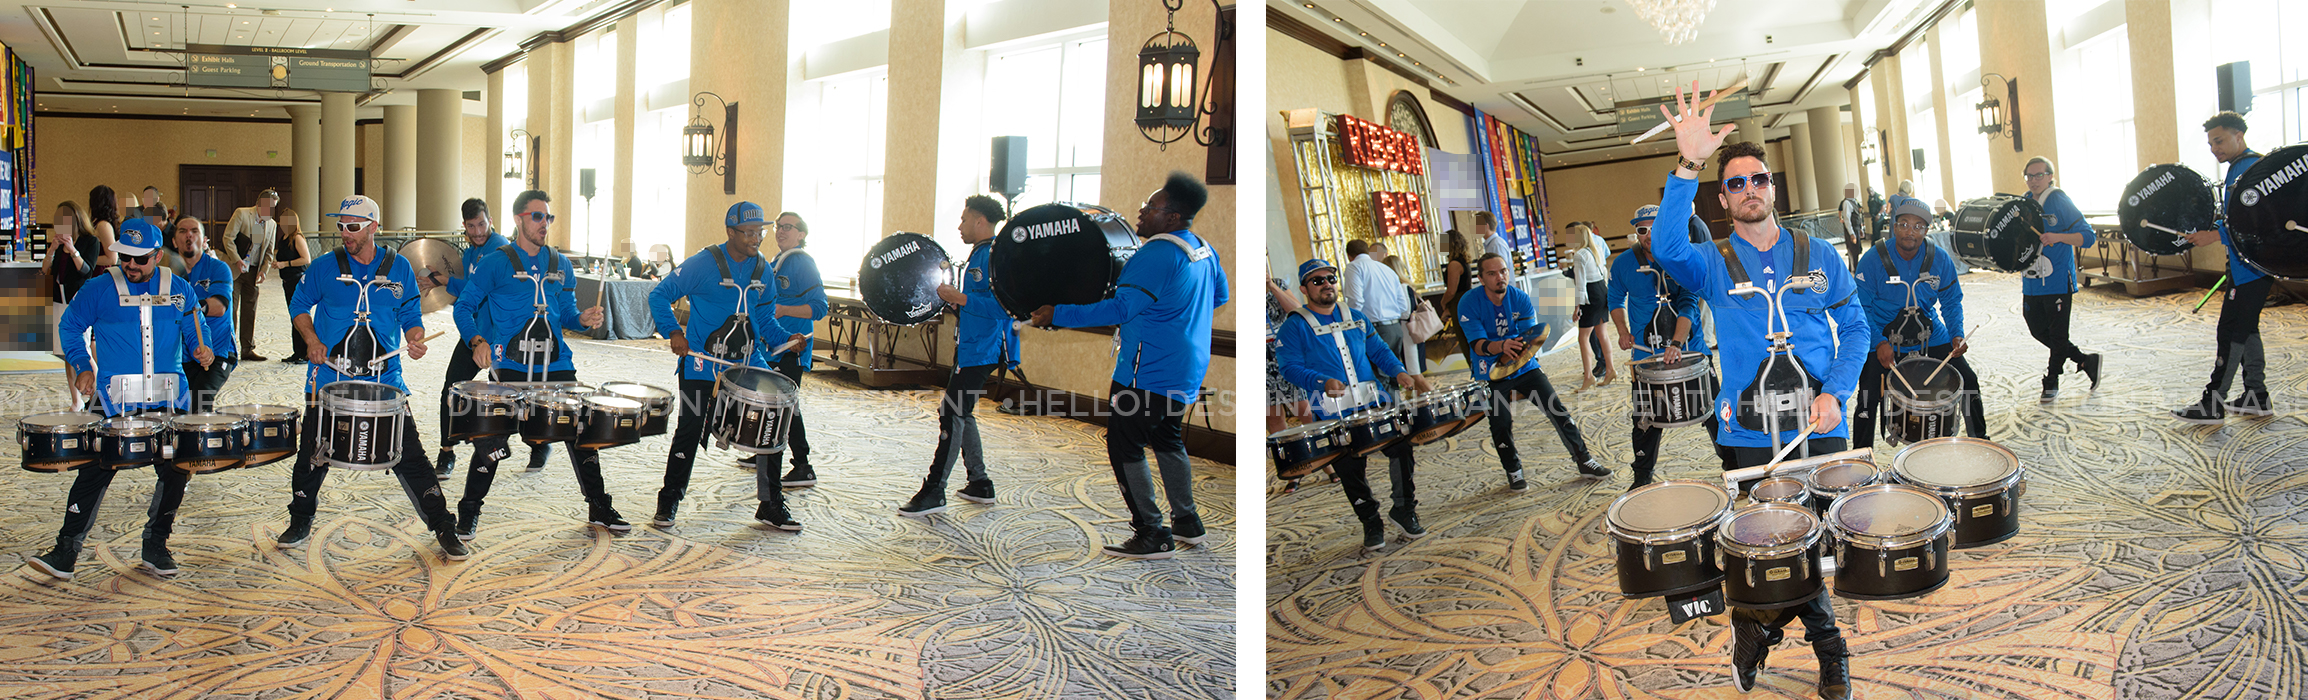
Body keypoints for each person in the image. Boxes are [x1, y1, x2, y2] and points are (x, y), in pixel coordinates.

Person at [1654, 80, 1868, 700]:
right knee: (1772, 546)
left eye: (1759, 179)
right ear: (1722, 198)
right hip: (1750, 431)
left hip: (1820, 422)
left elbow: (1854, 325)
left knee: (1820, 541)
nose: (1750, 189)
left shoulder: (1818, 252)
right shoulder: (1712, 262)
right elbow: (1667, 245)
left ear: (1773, 188)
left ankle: (1754, 630)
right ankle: (1830, 650)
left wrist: (1837, 390)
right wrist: (1687, 163)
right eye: (1737, 183)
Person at [1029, 171, 1228, 559]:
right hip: (1185, 366)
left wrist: (1057, 312)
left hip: (1145, 371)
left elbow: (1121, 308)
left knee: (1124, 444)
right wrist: (1174, 318)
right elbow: (1217, 297)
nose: (1141, 211)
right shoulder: (1202, 248)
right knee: (1167, 437)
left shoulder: (1155, 253)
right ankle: (1188, 521)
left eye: (1151, 206)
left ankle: (1152, 532)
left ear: (1171, 216)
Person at [270, 196, 465, 561]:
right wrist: (311, 340)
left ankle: (442, 524)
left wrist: (415, 336)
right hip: (328, 377)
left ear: (373, 226)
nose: (346, 233)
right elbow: (299, 305)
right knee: (313, 453)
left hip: (385, 377)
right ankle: (299, 519)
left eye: (354, 226)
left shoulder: (401, 268)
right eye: (341, 225)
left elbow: (409, 311)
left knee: (411, 457)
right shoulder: (325, 267)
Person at [21, 220, 215, 580]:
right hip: (113, 399)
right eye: (125, 257)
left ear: (157, 256)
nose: (131, 265)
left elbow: (195, 336)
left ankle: (156, 544)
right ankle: (66, 550)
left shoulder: (181, 291)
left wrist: (203, 352)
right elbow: (70, 326)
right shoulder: (99, 289)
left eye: (140, 260)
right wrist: (82, 364)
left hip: (169, 398)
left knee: (176, 472)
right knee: (92, 470)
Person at [452, 189, 620, 539]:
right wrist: (477, 340)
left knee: (582, 433)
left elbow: (568, 315)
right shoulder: (495, 262)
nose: (545, 224)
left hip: (557, 362)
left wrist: (583, 319)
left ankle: (599, 505)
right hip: (510, 363)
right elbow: (463, 307)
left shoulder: (560, 264)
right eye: (537, 216)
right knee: (493, 437)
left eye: (549, 217)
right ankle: (469, 509)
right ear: (519, 219)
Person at [646, 201, 805, 530]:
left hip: (749, 362)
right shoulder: (703, 263)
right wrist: (674, 331)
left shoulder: (763, 270)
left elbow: (764, 319)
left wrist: (788, 338)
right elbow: (660, 295)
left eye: (759, 232)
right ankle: (670, 498)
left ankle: (770, 503)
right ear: (730, 232)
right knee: (689, 429)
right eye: (748, 232)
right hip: (703, 364)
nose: (756, 238)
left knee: (771, 427)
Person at [1277, 258, 1433, 551]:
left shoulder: (1357, 317)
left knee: (1401, 447)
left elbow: (1379, 351)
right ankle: (1370, 520)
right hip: (1331, 410)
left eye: (1330, 278)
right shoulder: (1294, 326)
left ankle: (1403, 509)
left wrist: (1399, 371)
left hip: (1373, 402)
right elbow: (1289, 368)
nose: (1326, 285)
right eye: (1317, 281)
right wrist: (1321, 381)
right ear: (1304, 288)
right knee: (1349, 467)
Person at [892, 196, 1023, 516]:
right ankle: (980, 482)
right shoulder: (982, 254)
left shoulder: (990, 256)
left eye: (965, 219)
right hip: (973, 349)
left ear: (981, 222)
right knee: (960, 412)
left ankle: (935, 490)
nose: (960, 225)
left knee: (951, 414)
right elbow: (977, 304)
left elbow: (1003, 307)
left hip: (982, 350)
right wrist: (956, 303)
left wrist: (959, 296)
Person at [1458, 253, 1607, 490]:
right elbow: (1478, 344)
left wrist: (1514, 347)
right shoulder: (1468, 302)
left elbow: (1530, 339)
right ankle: (1514, 471)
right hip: (1491, 372)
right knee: (1500, 424)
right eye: (1492, 273)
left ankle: (1584, 460)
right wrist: (1503, 346)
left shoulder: (1520, 298)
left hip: (1525, 366)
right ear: (1481, 278)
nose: (1500, 277)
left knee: (1558, 410)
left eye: (1503, 271)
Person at [1610, 205, 1735, 487]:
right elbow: (1615, 299)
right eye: (1642, 229)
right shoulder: (1623, 264)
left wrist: (1677, 343)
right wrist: (1622, 331)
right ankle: (1642, 477)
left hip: (1691, 351)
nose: (1649, 235)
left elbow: (1689, 302)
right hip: (1647, 356)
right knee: (1644, 421)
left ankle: (1733, 466)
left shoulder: (1682, 258)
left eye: (1655, 227)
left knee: (1714, 413)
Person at [1851, 196, 1986, 449]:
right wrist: (1878, 341)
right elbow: (1860, 308)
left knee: (1968, 380)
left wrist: (1957, 334)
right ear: (1894, 226)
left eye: (1917, 226)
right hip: (1882, 338)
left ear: (1926, 230)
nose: (1909, 232)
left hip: (1930, 334)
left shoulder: (1940, 259)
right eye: (1903, 224)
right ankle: (1860, 456)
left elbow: (1951, 300)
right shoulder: (1872, 260)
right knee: (1868, 394)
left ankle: (1981, 440)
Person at [2176, 111, 2273, 422]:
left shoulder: (2247, 168)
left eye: (2219, 140)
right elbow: (2234, 216)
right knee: (2247, 328)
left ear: (2238, 136)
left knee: (2230, 331)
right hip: (2248, 266)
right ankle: (2256, 395)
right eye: (2210, 143)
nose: (2214, 148)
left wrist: (2215, 234)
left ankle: (2213, 401)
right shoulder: (2241, 168)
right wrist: (2210, 230)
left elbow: (2256, 221)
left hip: (2252, 268)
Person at [431, 198, 518, 476]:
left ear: (490, 221)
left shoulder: (502, 250)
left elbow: (479, 287)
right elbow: (468, 293)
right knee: (450, 390)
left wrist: (447, 281)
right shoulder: (469, 254)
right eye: (471, 226)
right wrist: (441, 283)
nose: (478, 231)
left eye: (482, 224)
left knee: (509, 398)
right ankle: (447, 451)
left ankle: (537, 442)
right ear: (465, 227)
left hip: (503, 338)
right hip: (474, 336)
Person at [2018, 156, 2103, 402]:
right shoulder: (2024, 202)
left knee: (2057, 333)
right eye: (2030, 176)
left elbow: (2087, 237)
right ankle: (2084, 360)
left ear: (2050, 176)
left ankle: (2052, 378)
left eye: (2039, 175)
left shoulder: (2059, 199)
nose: (2034, 181)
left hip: (2057, 279)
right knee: (2036, 328)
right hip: (2031, 278)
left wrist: (2058, 236)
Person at [764, 211, 831, 488]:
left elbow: (820, 307)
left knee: (788, 406)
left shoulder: (802, 263)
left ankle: (803, 465)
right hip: (774, 346)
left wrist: (782, 310)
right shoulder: (777, 261)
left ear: (801, 234)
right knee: (773, 401)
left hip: (793, 346)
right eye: (778, 227)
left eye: (788, 227)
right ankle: (765, 452)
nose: (781, 231)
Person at [171, 216, 238, 413]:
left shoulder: (218, 268)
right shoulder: (168, 275)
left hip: (217, 350)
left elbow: (219, 307)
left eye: (194, 231)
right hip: (181, 354)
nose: (189, 235)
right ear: (174, 241)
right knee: (176, 405)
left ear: (204, 240)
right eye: (182, 231)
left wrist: (186, 306)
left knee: (201, 399)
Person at [222, 188, 280, 361]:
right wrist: (237, 260)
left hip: (253, 271)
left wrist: (264, 270)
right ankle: (228, 349)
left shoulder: (272, 224)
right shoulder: (242, 214)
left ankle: (247, 349)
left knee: (250, 310)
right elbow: (228, 238)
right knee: (231, 309)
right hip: (235, 269)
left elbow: (269, 252)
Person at [1343, 239, 1412, 371]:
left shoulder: (1354, 267)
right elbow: (1403, 306)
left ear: (1349, 256)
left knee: (1380, 376)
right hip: (1395, 328)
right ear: (1367, 251)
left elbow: (1356, 300)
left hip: (1375, 330)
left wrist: (1348, 322)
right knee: (1394, 373)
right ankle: (1395, 393)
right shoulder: (1386, 269)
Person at [1565, 221, 1616, 389]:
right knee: (1603, 334)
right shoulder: (1595, 250)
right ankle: (1610, 369)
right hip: (1601, 290)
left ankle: (1588, 376)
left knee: (1583, 338)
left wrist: (1577, 307)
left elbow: (1580, 284)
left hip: (1590, 294)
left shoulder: (1580, 255)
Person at [273, 209, 315, 364]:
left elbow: (306, 259)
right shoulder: (283, 238)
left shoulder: (297, 238)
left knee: (300, 316)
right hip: (287, 282)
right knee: (294, 317)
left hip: (297, 281)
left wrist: (285, 264)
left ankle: (305, 352)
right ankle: (297, 351)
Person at [87, 185, 121, 269]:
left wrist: (86, 259)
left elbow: (112, 258)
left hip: (99, 273)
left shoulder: (103, 225)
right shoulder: (97, 223)